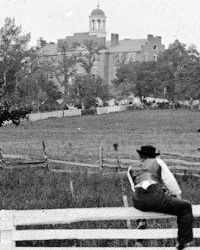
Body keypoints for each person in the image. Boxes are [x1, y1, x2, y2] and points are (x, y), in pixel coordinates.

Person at [127, 145, 193, 250]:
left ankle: (141, 220)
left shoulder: (131, 167)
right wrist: (178, 196)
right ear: (153, 155)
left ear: (141, 155)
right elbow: (170, 181)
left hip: (138, 200)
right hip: (155, 197)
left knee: (141, 199)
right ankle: (183, 242)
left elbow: (134, 187)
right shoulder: (157, 162)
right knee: (185, 207)